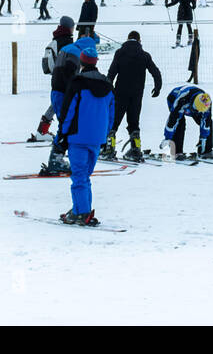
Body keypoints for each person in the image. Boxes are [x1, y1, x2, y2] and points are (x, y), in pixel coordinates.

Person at [57, 40, 115, 226]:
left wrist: (62, 134)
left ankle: (81, 212)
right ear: (96, 62)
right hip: (97, 138)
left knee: (79, 176)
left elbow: (68, 112)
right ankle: (81, 209)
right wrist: (105, 135)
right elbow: (111, 114)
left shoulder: (77, 83)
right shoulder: (107, 86)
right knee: (84, 176)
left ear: (82, 62)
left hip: (78, 137)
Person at [102, 31, 163, 162]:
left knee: (114, 121)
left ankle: (109, 148)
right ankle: (135, 149)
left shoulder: (120, 53)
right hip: (136, 94)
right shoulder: (144, 55)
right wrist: (157, 87)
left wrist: (108, 88)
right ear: (139, 40)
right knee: (134, 122)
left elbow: (112, 72)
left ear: (128, 39)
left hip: (120, 93)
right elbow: (156, 72)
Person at [33, 16, 75, 141]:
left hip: (56, 77)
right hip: (65, 77)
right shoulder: (67, 41)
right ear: (69, 27)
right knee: (64, 105)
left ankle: (42, 130)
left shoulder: (56, 38)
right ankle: (65, 133)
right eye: (72, 26)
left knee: (56, 103)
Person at [161, 84, 213, 159]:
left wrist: (203, 139)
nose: (198, 111)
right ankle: (177, 152)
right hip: (174, 98)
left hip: (192, 104)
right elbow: (173, 120)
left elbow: (206, 122)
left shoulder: (207, 102)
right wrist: (167, 137)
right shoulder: (182, 100)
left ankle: (206, 151)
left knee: (208, 122)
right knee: (180, 122)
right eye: (198, 109)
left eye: (201, 110)